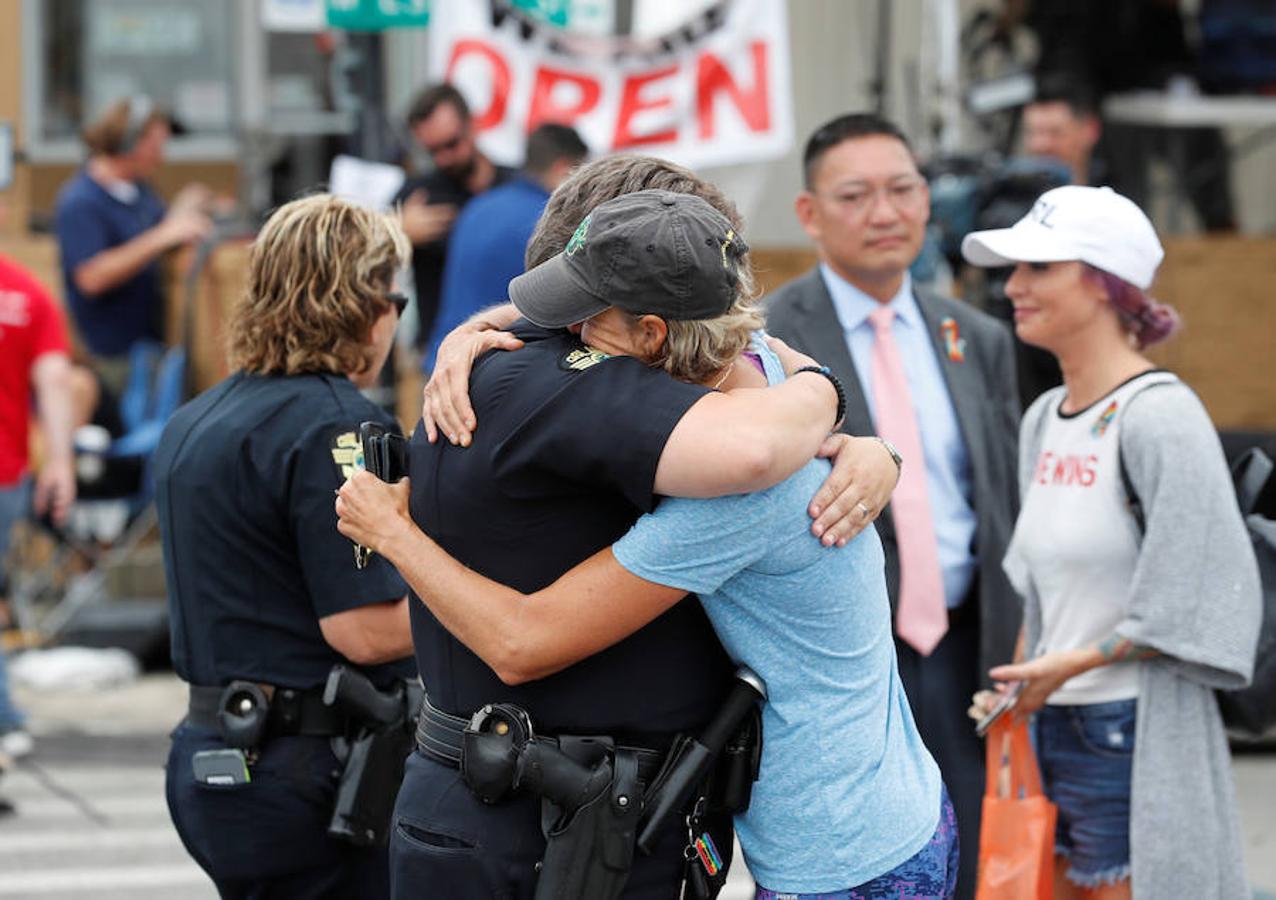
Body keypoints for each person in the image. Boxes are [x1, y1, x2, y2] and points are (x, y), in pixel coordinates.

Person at [338, 189, 956, 899]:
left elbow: (522, 643)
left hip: (844, 857)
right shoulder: (769, 369)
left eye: (586, 316)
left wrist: (393, 532)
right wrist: (466, 337)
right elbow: (770, 353)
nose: (566, 331)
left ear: (654, 336)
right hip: (895, 809)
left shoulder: (734, 493)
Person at [962, 185, 1260, 900]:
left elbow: (1206, 594)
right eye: (1014, 269)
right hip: (1047, 728)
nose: (1013, 288)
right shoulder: (1043, 419)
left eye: (1039, 268)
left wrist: (1069, 666)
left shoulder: (1162, 417)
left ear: (1104, 283)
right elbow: (1042, 586)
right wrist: (1020, 686)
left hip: (1131, 733)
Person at [763, 112, 1022, 899]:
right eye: (857, 195)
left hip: (967, 647)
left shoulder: (973, 335)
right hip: (843, 663)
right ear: (809, 213)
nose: (886, 213)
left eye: (903, 189)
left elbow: (1003, 500)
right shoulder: (768, 341)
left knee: (975, 860)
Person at [155, 194, 416, 899]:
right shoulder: (342, 428)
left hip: (210, 755)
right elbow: (363, 629)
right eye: (397, 299)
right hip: (308, 771)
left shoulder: (195, 419)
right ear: (364, 303)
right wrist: (498, 610)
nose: (396, 319)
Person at [53, 96, 215, 395]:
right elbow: (91, 277)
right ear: (127, 143)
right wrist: (163, 234)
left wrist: (182, 213)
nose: (160, 156)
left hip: (149, 352)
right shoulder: (80, 201)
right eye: (154, 146)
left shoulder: (139, 192)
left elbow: (156, 233)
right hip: (111, 362)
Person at [0, 240, 80, 763]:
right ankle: (5, 722)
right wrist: (59, 463)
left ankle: (5, 721)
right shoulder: (24, 293)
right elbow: (55, 379)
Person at [423, 123, 588, 370]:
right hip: (490, 370)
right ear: (563, 168)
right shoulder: (550, 223)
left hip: (443, 360)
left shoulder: (477, 207)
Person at [394, 82, 515, 349]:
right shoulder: (420, 196)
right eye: (432, 151)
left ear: (471, 126)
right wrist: (393, 230)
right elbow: (363, 261)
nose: (444, 158)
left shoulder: (516, 187)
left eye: (451, 144)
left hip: (512, 343)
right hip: (442, 349)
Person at [1022, 76, 1102, 187]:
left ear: (1090, 130)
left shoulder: (1114, 200)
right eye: (1032, 133)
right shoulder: (1004, 198)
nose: (1040, 145)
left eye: (1055, 133)